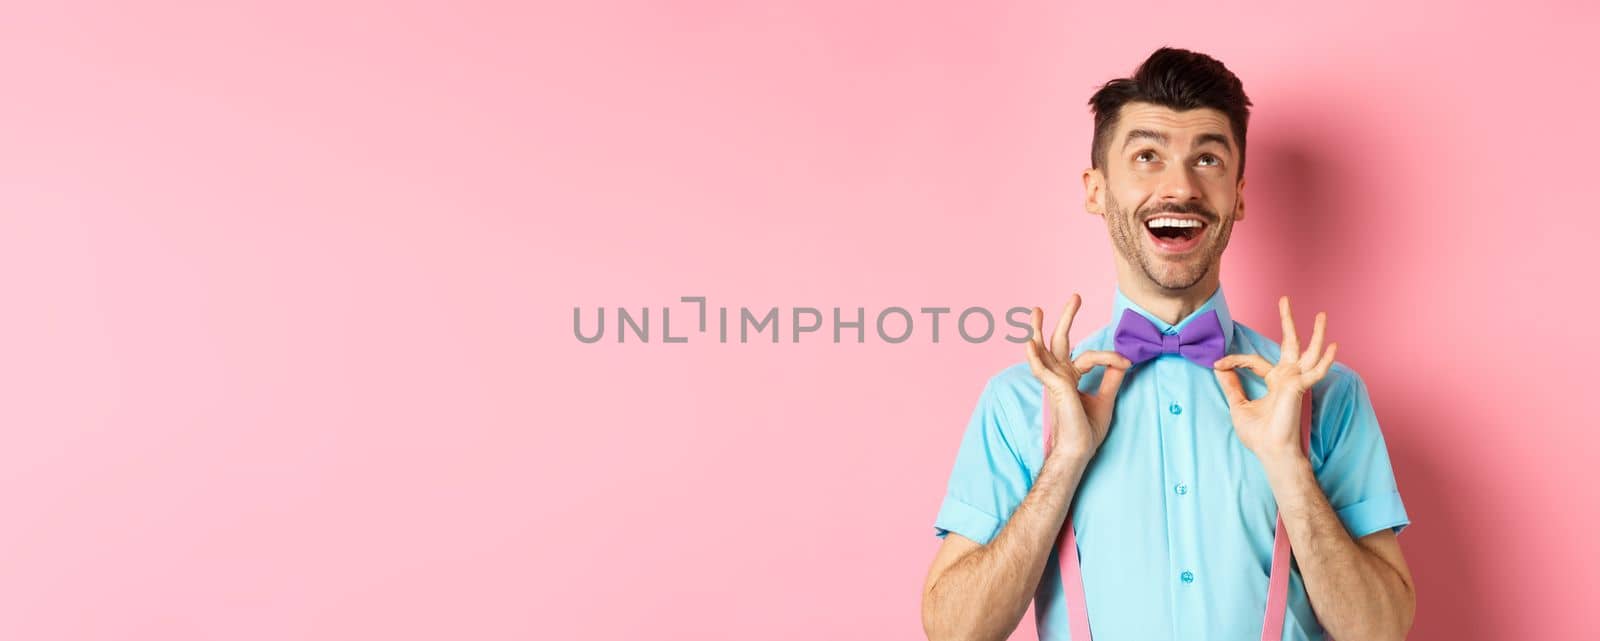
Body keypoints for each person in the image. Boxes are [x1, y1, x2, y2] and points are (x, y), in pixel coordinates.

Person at [919, 47, 1415, 641]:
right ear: (1096, 191)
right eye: (1147, 157)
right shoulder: (1021, 403)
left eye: (1207, 159)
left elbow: (1381, 631)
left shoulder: (1327, 394)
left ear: (1239, 195)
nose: (1179, 187)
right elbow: (953, 631)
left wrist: (1289, 467)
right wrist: (1065, 459)